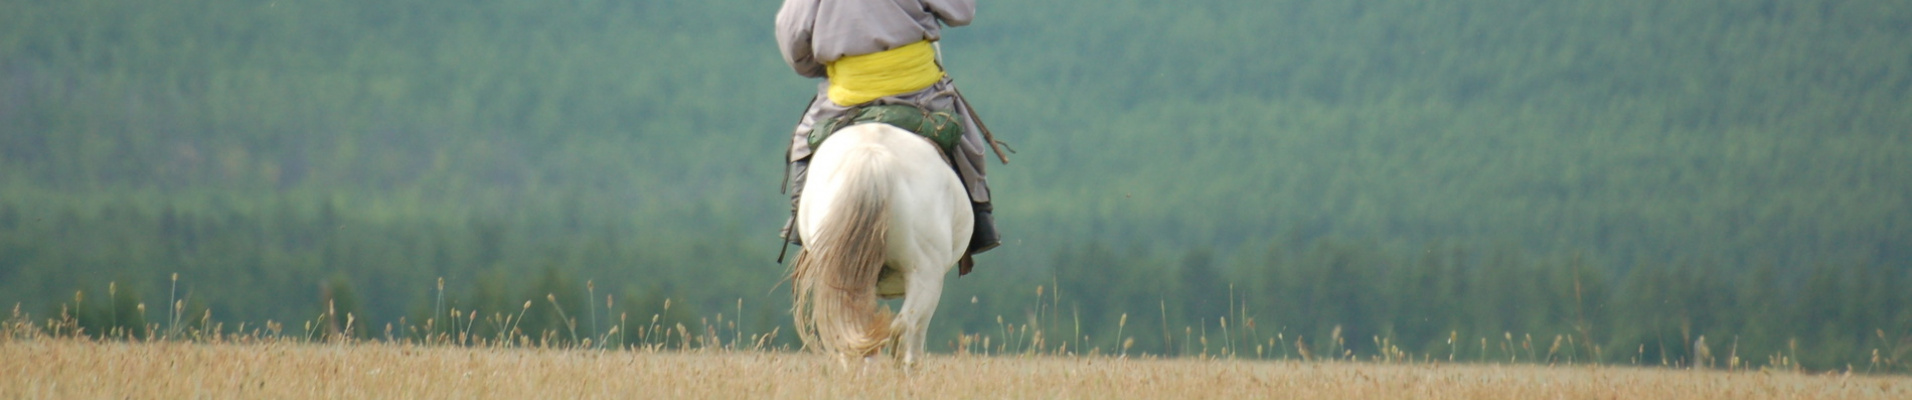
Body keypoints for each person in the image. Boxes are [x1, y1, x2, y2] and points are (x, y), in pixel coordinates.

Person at [775, 0, 1002, 266]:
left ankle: (799, 222)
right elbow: (962, 12)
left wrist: (829, 65)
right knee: (967, 142)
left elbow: (793, 44)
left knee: (804, 143)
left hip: (848, 95)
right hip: (918, 91)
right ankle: (980, 215)